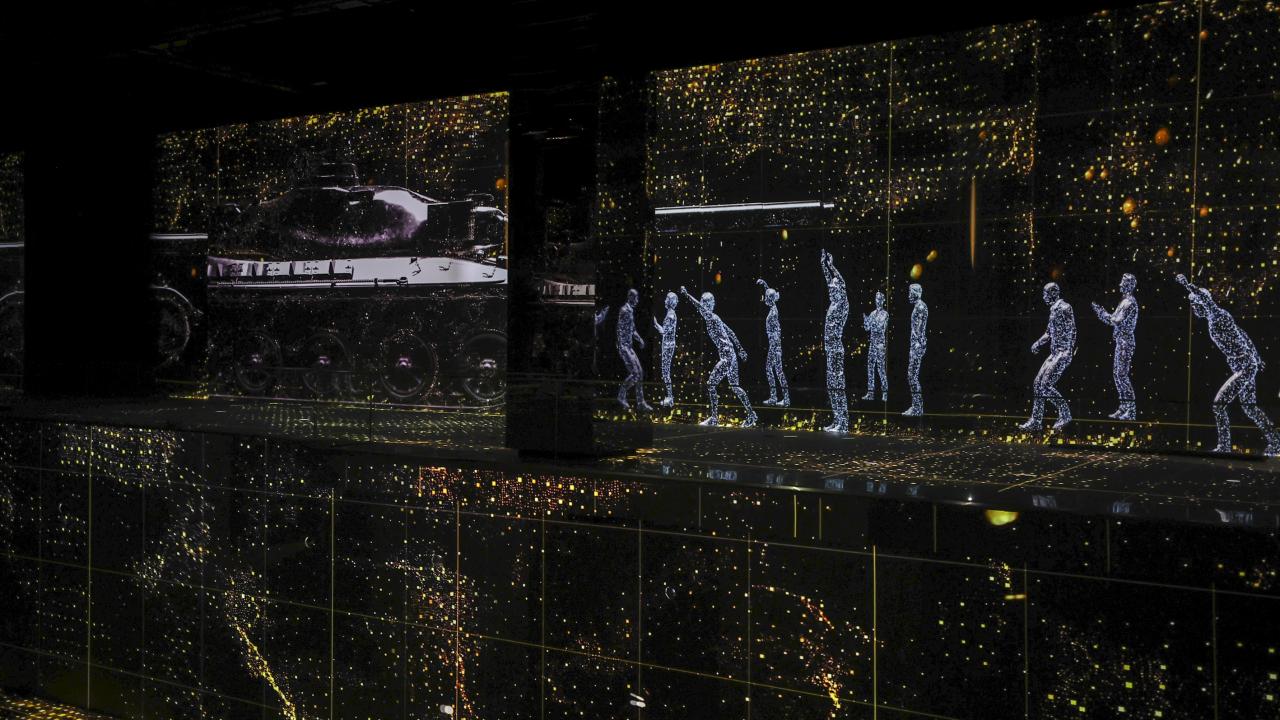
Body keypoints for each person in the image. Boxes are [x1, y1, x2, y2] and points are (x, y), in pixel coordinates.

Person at [1177, 274, 1279, 456]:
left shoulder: (1217, 314)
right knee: (1249, 407)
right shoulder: (1217, 317)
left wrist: (1186, 284)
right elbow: (1242, 334)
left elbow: (1206, 299)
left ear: (1200, 303)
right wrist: (1257, 357)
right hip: (1245, 363)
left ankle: (1224, 446)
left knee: (1219, 405)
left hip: (1244, 366)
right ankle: (1276, 442)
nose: (1194, 310)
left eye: (1194, 305)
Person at [679, 286, 756, 427]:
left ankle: (714, 418)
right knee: (735, 387)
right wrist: (740, 350)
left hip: (727, 356)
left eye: (705, 302)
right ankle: (752, 414)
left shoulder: (711, 317)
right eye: (703, 302)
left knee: (711, 384)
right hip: (731, 355)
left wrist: (686, 294)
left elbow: (699, 307)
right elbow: (731, 332)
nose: (703, 305)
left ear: (709, 304)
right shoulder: (716, 318)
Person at [1019, 282, 1076, 431]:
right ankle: (1036, 420)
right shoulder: (1053, 310)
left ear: (1053, 293)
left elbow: (1072, 331)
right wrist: (1037, 343)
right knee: (1037, 383)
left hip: (1062, 353)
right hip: (1054, 353)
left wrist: (1068, 351)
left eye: (1046, 293)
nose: (1044, 297)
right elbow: (1049, 333)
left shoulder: (1065, 307)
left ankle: (1065, 414)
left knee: (1045, 386)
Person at [1091, 273, 1139, 420]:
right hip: (1121, 341)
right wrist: (1103, 314)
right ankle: (1124, 407)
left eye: (1122, 283)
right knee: (1118, 375)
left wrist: (1101, 313)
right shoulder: (1124, 301)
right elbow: (1113, 319)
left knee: (1121, 375)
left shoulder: (1129, 302)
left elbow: (1115, 320)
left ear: (1129, 285)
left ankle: (1130, 410)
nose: (1120, 285)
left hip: (1125, 342)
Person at [820, 249, 849, 432]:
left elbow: (842, 283)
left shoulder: (842, 303)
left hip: (836, 349)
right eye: (830, 289)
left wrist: (831, 266)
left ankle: (843, 421)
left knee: (838, 386)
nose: (830, 290)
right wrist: (823, 265)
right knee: (831, 386)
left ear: (839, 291)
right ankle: (836, 419)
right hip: (830, 350)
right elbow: (828, 281)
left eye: (833, 289)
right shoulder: (833, 302)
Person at [616, 288, 652, 412]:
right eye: (635, 297)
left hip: (629, 346)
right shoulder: (624, 310)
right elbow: (619, 329)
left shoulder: (630, 311)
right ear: (630, 297)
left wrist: (640, 339)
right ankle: (621, 395)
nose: (637, 300)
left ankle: (641, 402)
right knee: (636, 374)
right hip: (624, 347)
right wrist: (622, 346)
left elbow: (632, 329)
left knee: (640, 373)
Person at [756, 279, 790, 407]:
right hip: (774, 345)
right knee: (771, 369)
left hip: (775, 346)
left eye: (766, 297)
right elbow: (770, 292)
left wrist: (774, 347)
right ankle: (775, 397)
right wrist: (765, 284)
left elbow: (776, 332)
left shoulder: (773, 313)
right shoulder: (773, 307)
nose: (764, 299)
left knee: (778, 371)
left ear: (770, 299)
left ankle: (784, 398)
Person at [902, 283, 928, 416]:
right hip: (916, 344)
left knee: (912, 375)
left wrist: (919, 343)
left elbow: (919, 329)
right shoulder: (919, 306)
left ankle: (917, 408)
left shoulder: (920, 307)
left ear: (916, 293)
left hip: (917, 345)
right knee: (912, 376)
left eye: (910, 293)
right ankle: (916, 406)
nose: (908, 296)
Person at [652, 292, 679, 408]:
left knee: (665, 372)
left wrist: (655, 323)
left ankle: (670, 398)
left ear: (670, 302)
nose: (664, 301)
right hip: (668, 344)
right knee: (665, 372)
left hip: (668, 345)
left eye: (666, 299)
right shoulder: (670, 314)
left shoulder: (670, 315)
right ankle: (669, 397)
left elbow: (664, 331)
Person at [862, 291, 889, 401]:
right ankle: (870, 393)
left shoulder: (885, 314)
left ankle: (885, 393)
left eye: (879, 299)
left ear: (883, 300)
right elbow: (867, 328)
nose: (877, 301)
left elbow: (880, 328)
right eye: (876, 299)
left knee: (881, 369)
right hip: (872, 344)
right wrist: (866, 320)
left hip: (880, 345)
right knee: (870, 368)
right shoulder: (873, 313)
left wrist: (871, 323)